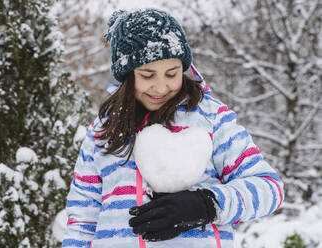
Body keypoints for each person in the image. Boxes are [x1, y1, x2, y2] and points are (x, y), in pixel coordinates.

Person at [62, 8, 284, 248]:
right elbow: (82, 220)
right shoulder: (104, 131)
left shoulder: (211, 118)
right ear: (127, 75)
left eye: (171, 73)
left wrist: (208, 204)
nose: (161, 87)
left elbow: (269, 188)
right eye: (147, 75)